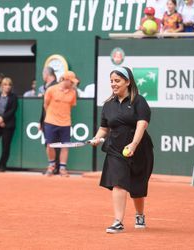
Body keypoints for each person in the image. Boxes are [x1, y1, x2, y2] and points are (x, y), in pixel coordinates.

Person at [91, 67, 154, 234]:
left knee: (137, 186)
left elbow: (142, 123)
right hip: (115, 149)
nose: (113, 84)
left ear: (128, 82)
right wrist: (97, 138)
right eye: (111, 81)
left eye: (117, 81)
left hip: (139, 149)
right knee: (118, 183)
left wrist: (133, 144)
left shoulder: (139, 101)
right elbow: (104, 128)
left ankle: (140, 214)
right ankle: (118, 221)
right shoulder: (108, 105)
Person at [43, 71, 78, 177]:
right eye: (71, 81)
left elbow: (71, 105)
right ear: (65, 80)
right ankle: (51, 166)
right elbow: (46, 105)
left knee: (65, 146)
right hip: (50, 121)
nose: (73, 84)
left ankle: (62, 168)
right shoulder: (51, 90)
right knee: (50, 145)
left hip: (66, 123)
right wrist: (51, 115)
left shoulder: (73, 92)